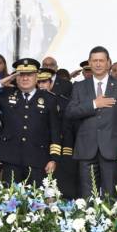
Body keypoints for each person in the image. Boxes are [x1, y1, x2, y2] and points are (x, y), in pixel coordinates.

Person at [0, 58, 61, 186]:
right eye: (21, 75)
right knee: (10, 200)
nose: (25, 78)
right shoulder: (6, 94)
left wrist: (54, 159)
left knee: (36, 201)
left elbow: (55, 130)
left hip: (38, 160)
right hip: (11, 159)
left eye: (29, 75)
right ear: (15, 77)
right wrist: (0, 83)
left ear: (36, 77)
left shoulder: (49, 99)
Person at [65, 46, 117, 197]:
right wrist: (94, 104)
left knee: (111, 196)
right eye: (94, 60)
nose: (98, 64)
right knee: (88, 196)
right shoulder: (78, 86)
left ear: (109, 62)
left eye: (101, 60)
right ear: (89, 62)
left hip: (112, 149)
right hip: (86, 149)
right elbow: (70, 112)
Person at [37, 67, 78, 198]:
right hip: (39, 148)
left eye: (45, 81)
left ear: (51, 83)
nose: (42, 85)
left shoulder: (62, 101)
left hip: (61, 147)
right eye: (39, 82)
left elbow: (68, 128)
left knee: (62, 187)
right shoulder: (29, 101)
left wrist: (66, 150)